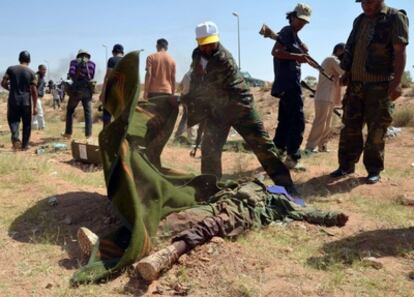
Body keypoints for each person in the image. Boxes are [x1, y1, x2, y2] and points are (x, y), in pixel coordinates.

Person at [182, 21, 295, 193]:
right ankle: (210, 189)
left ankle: (287, 187)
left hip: (240, 107)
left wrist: (188, 99)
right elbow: (198, 81)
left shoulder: (222, 58)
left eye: (211, 43)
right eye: (203, 44)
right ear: (198, 42)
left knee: (263, 147)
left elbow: (208, 88)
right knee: (209, 150)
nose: (208, 47)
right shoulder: (197, 54)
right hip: (217, 110)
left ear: (216, 39)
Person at [330, 0, 409, 184]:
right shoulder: (359, 20)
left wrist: (397, 83)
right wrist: (348, 72)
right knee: (350, 127)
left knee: (376, 130)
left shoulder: (395, 17)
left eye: (370, 1)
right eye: (363, 2)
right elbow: (354, 49)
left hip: (379, 86)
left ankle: (373, 169)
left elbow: (399, 51)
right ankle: (346, 166)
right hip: (355, 86)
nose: (366, 5)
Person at [271, 3, 314, 169]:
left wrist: (302, 48)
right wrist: (298, 57)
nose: (301, 24)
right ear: (293, 17)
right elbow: (276, 52)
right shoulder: (287, 31)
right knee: (297, 121)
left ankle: (277, 152)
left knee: (286, 120)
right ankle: (292, 157)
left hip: (290, 83)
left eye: (304, 22)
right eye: (299, 20)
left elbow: (293, 47)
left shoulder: (293, 35)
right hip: (288, 84)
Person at [305, 43, 345, 153]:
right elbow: (344, 72)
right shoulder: (332, 59)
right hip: (323, 96)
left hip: (329, 96)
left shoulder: (332, 61)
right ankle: (310, 147)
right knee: (320, 122)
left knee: (327, 124)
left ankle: (322, 146)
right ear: (339, 50)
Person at [1, 51, 38, 150]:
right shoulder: (32, 73)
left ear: (19, 59)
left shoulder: (11, 69)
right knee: (26, 124)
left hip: (13, 100)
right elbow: (34, 91)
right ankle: (25, 145)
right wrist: (35, 106)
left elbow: (3, 83)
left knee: (13, 120)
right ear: (29, 60)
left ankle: (16, 139)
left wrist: (10, 89)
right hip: (26, 102)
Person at [62, 49, 96, 140]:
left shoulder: (74, 62)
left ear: (78, 55)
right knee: (88, 113)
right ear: (88, 55)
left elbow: (72, 74)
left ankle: (68, 133)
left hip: (76, 91)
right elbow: (91, 76)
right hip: (87, 91)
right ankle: (89, 136)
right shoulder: (92, 64)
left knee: (70, 110)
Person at [100, 44, 124, 127]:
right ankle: (119, 138)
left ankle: (106, 137)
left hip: (111, 92)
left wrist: (103, 93)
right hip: (122, 93)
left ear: (113, 52)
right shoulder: (127, 61)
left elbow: (107, 77)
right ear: (122, 52)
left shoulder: (112, 60)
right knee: (120, 117)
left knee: (107, 117)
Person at [32, 64, 47, 130]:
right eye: (43, 69)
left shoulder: (42, 77)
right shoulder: (36, 76)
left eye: (45, 69)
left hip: (38, 96)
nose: (45, 71)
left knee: (36, 111)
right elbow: (33, 87)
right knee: (39, 111)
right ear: (39, 69)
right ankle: (41, 126)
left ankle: (34, 126)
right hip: (35, 96)